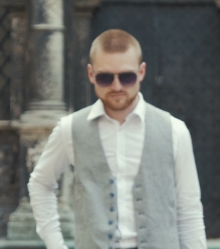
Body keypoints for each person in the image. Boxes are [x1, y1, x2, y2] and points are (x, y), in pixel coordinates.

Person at [28, 29, 207, 249]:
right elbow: (40, 184)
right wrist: (56, 245)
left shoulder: (174, 130)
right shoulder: (70, 129)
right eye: (105, 77)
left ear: (141, 72)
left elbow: (189, 210)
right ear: (91, 74)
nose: (117, 86)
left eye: (127, 77)